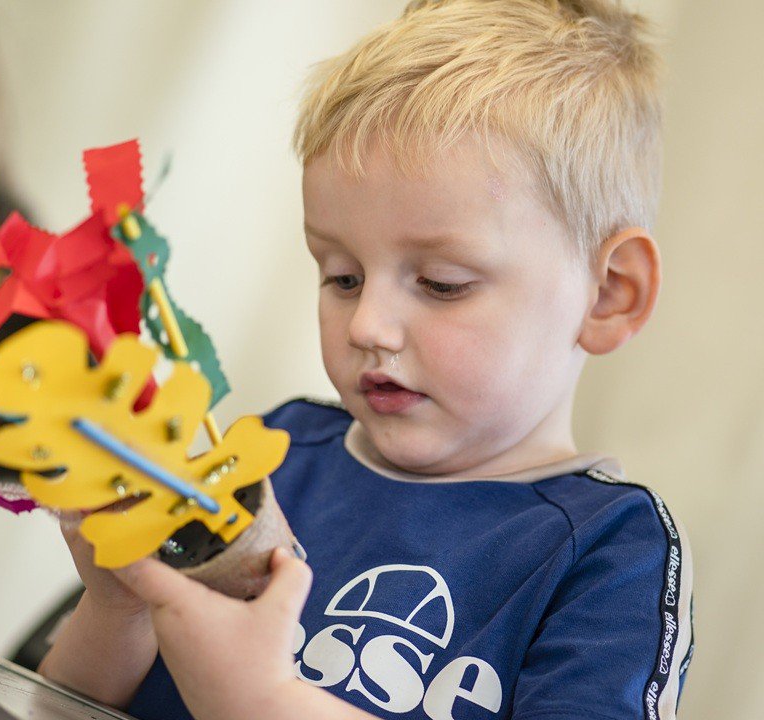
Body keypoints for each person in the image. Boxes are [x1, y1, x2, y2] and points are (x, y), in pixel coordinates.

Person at [38, 1, 694, 718]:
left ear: (609, 296)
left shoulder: (610, 554)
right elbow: (57, 704)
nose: (369, 325)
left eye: (443, 284)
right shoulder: (270, 459)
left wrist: (261, 702)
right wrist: (117, 608)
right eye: (341, 276)